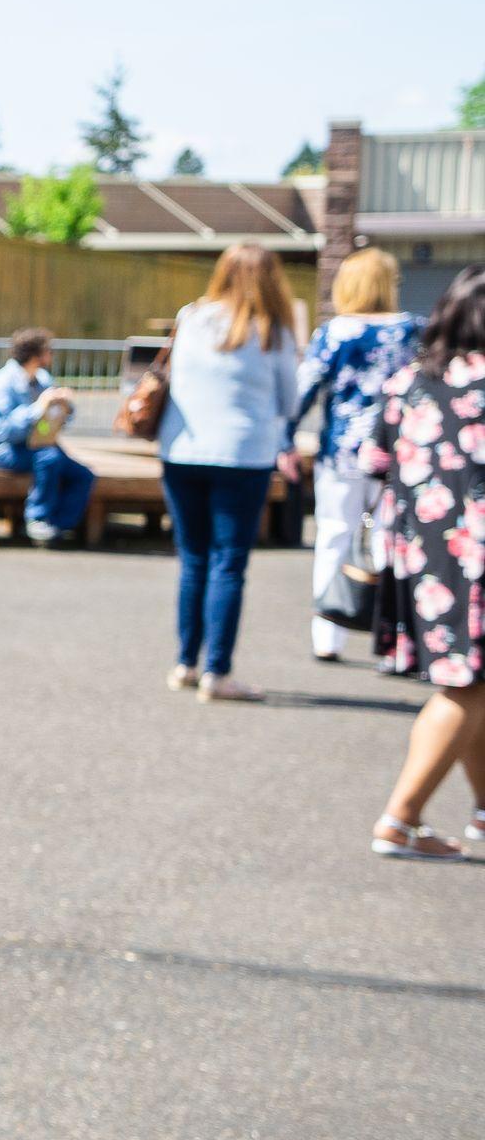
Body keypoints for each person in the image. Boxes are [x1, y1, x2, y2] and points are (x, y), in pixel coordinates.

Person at [360, 263, 485, 860]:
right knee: (465, 688)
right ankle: (400, 818)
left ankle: (484, 812)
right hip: (478, 561)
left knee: (469, 683)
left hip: (425, 560)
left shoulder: (408, 380)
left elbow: (373, 459)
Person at [156, 242, 304, 702]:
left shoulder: (190, 316)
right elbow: (289, 402)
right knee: (228, 565)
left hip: (181, 450)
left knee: (193, 560)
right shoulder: (272, 331)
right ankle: (216, 672)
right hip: (242, 455)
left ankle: (186, 662)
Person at [295, 247, 420, 663]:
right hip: (399, 455)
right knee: (392, 542)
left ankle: (328, 632)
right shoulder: (412, 330)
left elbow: (304, 389)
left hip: (342, 453)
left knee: (334, 535)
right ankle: (392, 642)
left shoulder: (335, 332)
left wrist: (286, 438)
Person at [0, 327, 93, 545]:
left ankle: (58, 525)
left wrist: (65, 406)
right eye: (49, 350)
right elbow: (0, 430)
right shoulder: (1, 384)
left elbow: (53, 423)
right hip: (1, 449)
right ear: (36, 354)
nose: (52, 355)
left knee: (82, 475)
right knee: (50, 459)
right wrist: (37, 409)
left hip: (38, 446)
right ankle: (37, 520)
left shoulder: (42, 380)